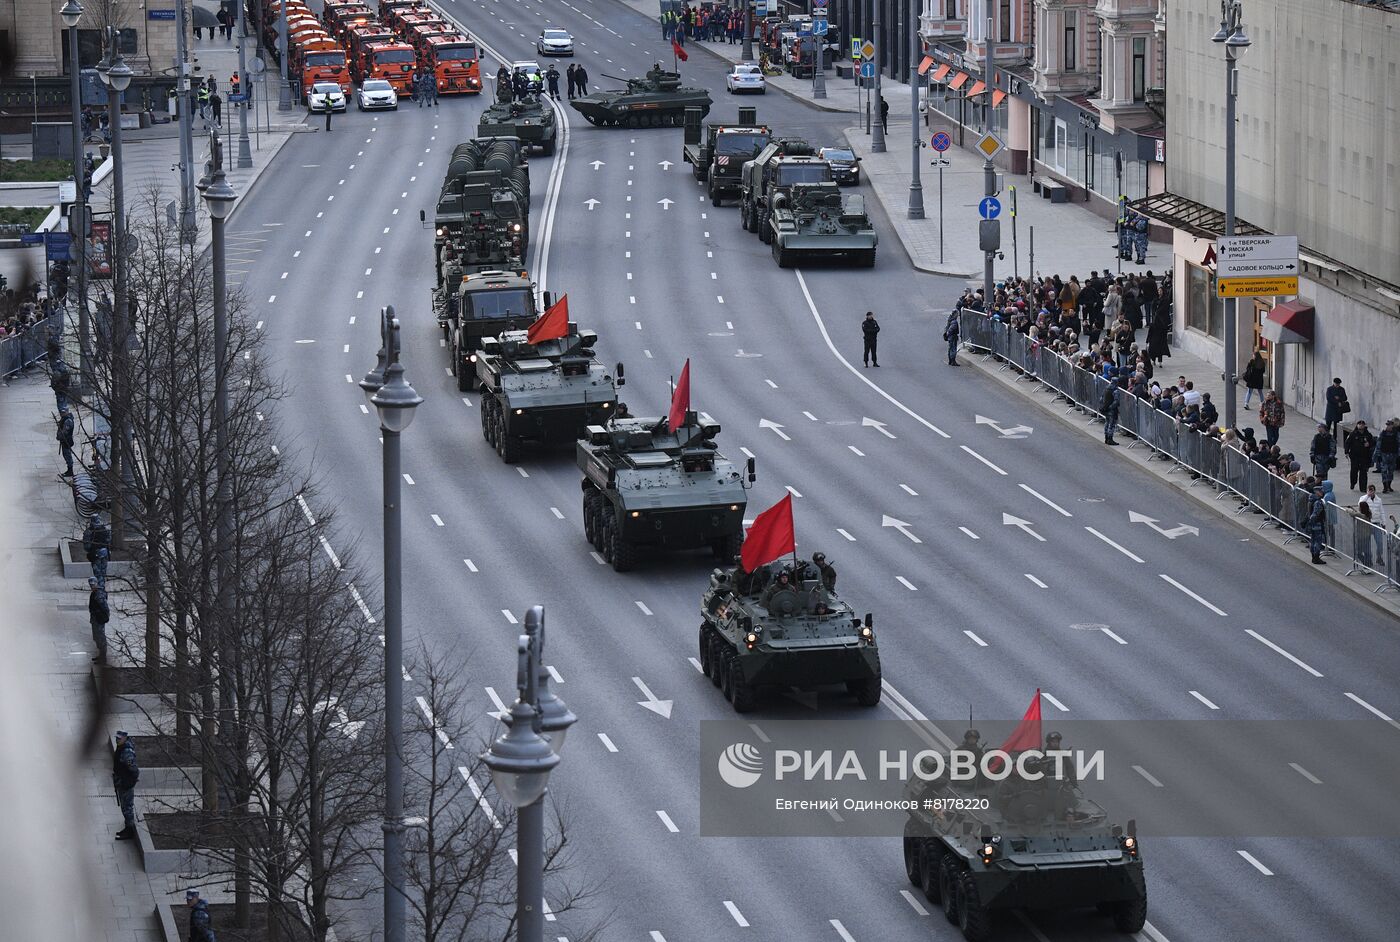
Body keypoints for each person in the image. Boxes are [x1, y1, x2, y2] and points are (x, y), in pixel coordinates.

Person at [112, 731, 139, 839]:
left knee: (127, 807)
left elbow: (133, 768)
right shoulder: (121, 747)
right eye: (116, 738)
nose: (117, 740)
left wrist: (132, 779)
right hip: (122, 781)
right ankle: (127, 827)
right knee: (124, 806)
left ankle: (129, 830)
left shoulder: (126, 751)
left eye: (119, 738)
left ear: (125, 738)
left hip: (126, 782)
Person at [1345, 420, 1376, 492]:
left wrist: (1369, 444)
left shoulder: (1368, 434)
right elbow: (1347, 443)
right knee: (1354, 471)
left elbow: (1373, 442)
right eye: (1359, 424)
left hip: (1364, 456)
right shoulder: (1353, 434)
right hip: (1354, 456)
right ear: (1357, 425)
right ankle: (1353, 483)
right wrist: (1346, 452)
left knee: (1363, 473)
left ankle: (1363, 487)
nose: (1361, 425)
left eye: (1362, 424)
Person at [1360, 484, 1387, 562]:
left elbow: (1382, 512)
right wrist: (1367, 496)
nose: (1371, 492)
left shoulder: (1379, 500)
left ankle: (1379, 557)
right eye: (1369, 490)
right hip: (1367, 523)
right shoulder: (1363, 498)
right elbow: (1360, 504)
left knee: (1379, 542)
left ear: (1374, 491)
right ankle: (1369, 559)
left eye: (1372, 490)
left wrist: (1384, 522)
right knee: (1367, 543)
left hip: (1376, 523)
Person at [1375, 419, 1400, 494]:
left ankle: (1389, 485)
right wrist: (1378, 455)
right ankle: (1385, 487)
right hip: (1384, 455)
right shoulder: (1383, 433)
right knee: (1384, 471)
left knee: (1391, 471)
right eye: (1388, 425)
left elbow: (1399, 444)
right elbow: (1378, 444)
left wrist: (1398, 454)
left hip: (1393, 454)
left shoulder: (1396, 434)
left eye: (1390, 425)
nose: (1389, 426)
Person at [88, 577, 109, 665]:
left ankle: (103, 658)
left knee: (101, 638)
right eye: (91, 585)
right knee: (97, 637)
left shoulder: (99, 594)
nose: (92, 586)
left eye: (93, 584)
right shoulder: (95, 593)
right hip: (95, 619)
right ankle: (101, 655)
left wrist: (103, 617)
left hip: (99, 619)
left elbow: (104, 608)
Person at [1307, 486, 1328, 564]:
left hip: (1313, 524)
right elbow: (1315, 514)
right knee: (1317, 541)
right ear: (1316, 492)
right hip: (1317, 524)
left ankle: (1314, 557)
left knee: (1312, 540)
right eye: (1320, 491)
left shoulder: (1311, 499)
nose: (1322, 492)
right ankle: (1316, 557)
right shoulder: (1318, 502)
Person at [57, 406, 75, 477]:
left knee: (67, 455)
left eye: (63, 412)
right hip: (64, 440)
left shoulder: (68, 420)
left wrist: (59, 436)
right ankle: (69, 470)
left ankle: (70, 470)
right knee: (65, 455)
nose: (62, 413)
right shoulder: (64, 419)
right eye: (61, 412)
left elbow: (65, 431)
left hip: (67, 440)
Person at [1102, 380, 1121, 445]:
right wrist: (1111, 407)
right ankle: (1110, 438)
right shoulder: (1115, 390)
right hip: (1112, 410)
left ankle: (1106, 437)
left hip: (1105, 408)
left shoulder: (1106, 388)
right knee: (1112, 424)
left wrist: (1104, 406)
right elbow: (1116, 401)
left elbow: (1101, 398)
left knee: (1107, 422)